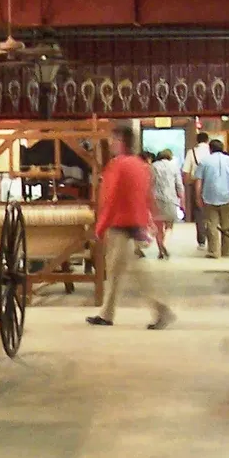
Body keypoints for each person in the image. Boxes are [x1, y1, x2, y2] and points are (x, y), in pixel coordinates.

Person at [87, 125, 175, 329]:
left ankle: (161, 310)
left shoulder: (119, 165)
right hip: (134, 222)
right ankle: (107, 313)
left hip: (120, 223)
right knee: (118, 270)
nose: (111, 144)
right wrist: (149, 219)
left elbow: (111, 198)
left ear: (122, 142)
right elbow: (147, 196)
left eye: (114, 140)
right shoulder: (140, 165)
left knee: (133, 271)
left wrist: (100, 226)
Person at [196, 139, 229, 259]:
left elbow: (199, 182)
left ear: (210, 149)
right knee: (227, 224)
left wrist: (198, 197)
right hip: (226, 196)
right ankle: (226, 251)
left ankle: (214, 251)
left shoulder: (204, 161)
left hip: (209, 196)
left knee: (211, 225)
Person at [150, 147, 182, 260]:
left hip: (156, 199)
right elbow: (179, 184)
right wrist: (181, 198)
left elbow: (150, 183)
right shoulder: (174, 167)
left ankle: (160, 250)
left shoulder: (153, 166)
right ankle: (165, 243)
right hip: (171, 199)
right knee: (169, 225)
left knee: (158, 227)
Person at [182, 136, 212, 246]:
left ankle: (201, 239)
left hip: (196, 183)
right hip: (212, 183)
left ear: (197, 141)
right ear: (207, 140)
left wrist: (187, 185)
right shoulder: (211, 151)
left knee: (199, 212)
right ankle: (213, 237)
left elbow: (186, 171)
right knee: (212, 210)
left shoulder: (192, 152)